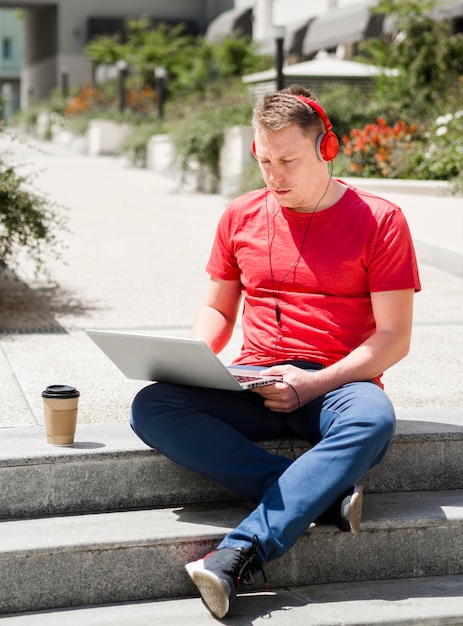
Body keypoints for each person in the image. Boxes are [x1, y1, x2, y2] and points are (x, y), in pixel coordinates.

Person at [130, 84, 421, 619]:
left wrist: (314, 382)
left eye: (287, 160)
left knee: (374, 421)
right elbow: (218, 309)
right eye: (264, 160)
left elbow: (393, 337)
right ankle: (322, 495)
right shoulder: (238, 216)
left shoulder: (381, 220)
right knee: (152, 405)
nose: (274, 176)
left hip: (336, 384)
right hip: (252, 377)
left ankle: (239, 553)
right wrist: (195, 355)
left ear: (326, 148)